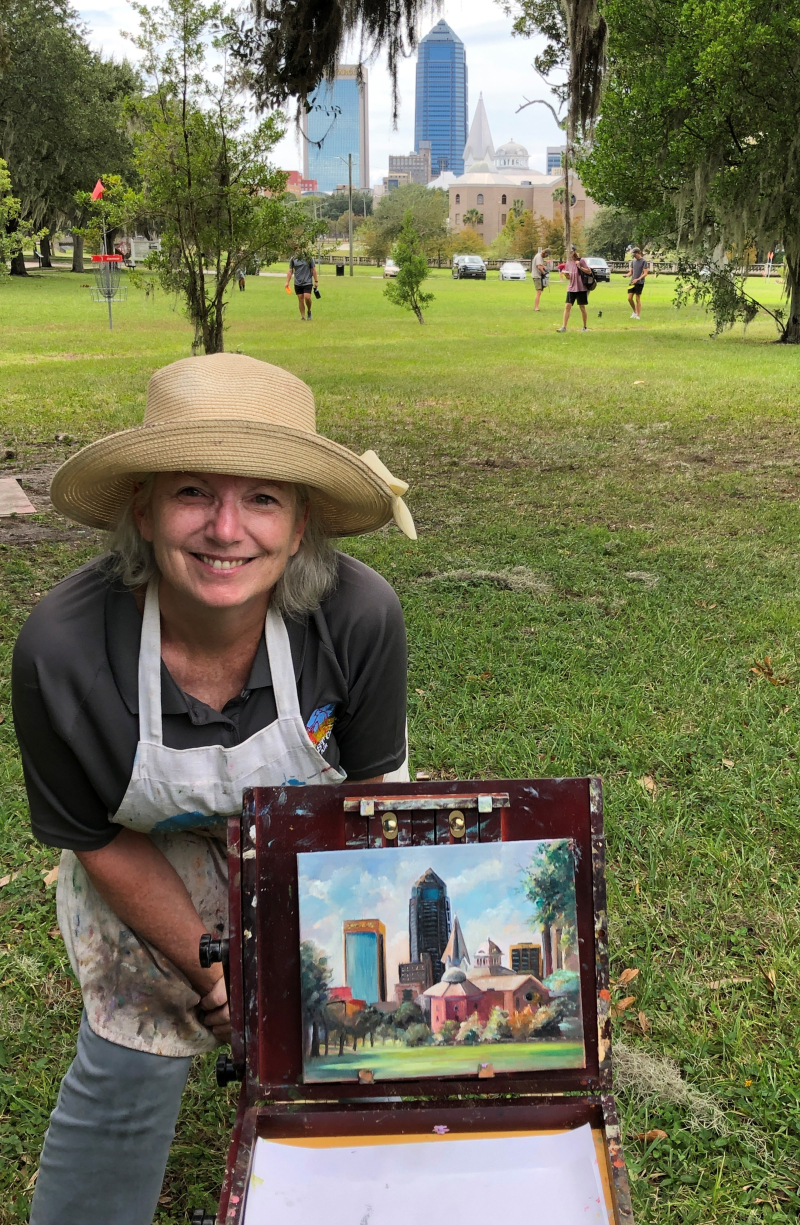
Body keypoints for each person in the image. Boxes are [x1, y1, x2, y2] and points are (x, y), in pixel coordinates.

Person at [13, 353, 416, 1225]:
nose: (227, 529)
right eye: (194, 492)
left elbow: (372, 800)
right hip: (144, 847)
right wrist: (218, 959)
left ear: (302, 521)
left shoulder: (360, 617)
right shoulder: (62, 653)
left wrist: (301, 957)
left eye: (263, 498)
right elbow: (93, 834)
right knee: (139, 1018)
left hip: (315, 840)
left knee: (350, 1010)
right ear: (144, 507)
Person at [556, 245, 593, 333]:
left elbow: (589, 271)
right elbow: (569, 277)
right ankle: (564, 327)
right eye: (567, 252)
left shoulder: (581, 260)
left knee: (582, 307)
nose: (568, 254)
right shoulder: (568, 263)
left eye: (570, 252)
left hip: (581, 288)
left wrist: (579, 266)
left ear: (574, 252)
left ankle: (584, 327)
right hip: (571, 287)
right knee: (567, 306)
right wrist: (566, 275)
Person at [286, 250, 318, 320]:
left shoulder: (309, 257)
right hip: (298, 282)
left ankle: (309, 311)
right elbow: (290, 271)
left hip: (307, 281)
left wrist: (316, 281)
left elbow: (313, 269)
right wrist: (287, 282)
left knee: (307, 297)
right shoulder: (293, 258)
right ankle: (303, 317)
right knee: (300, 299)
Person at [627, 247, 649, 318]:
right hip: (632, 282)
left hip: (640, 282)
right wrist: (627, 275)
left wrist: (638, 279)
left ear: (639, 253)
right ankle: (634, 311)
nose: (634, 256)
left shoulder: (644, 261)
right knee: (629, 298)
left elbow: (645, 273)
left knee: (637, 298)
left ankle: (638, 315)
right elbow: (631, 272)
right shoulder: (633, 261)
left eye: (635, 255)